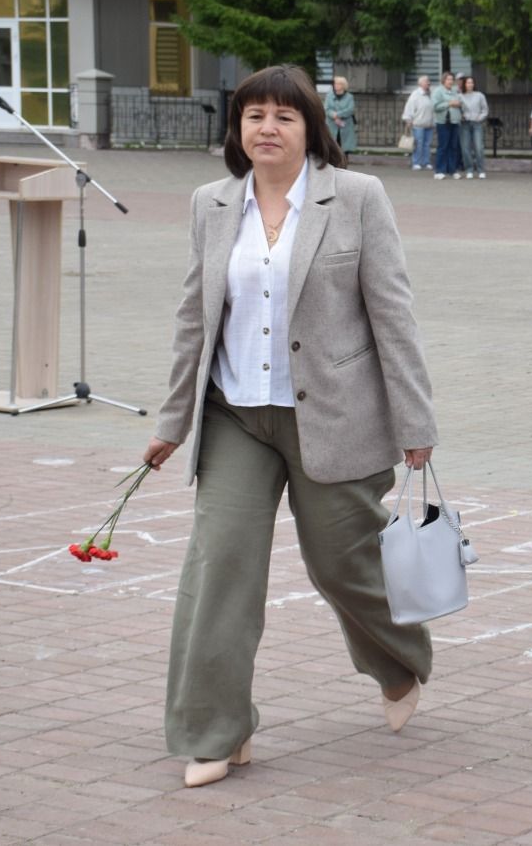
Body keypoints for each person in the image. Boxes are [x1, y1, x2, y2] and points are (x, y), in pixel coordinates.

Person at [145, 65, 437, 789]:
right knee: (221, 567)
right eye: (253, 117)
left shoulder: (357, 198)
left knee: (342, 563)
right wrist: (172, 419)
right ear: (236, 130)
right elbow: (195, 318)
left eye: (283, 116)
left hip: (334, 417)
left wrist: (415, 418)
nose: (266, 129)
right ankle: (215, 731)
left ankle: (399, 664)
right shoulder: (211, 204)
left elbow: (392, 314)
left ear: (312, 128)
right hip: (235, 415)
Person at [431, 72, 464, 179]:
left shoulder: (455, 91)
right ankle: (439, 170)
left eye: (451, 79)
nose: (450, 81)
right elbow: (435, 106)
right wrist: (449, 103)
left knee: (453, 147)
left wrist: (458, 103)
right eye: (448, 79)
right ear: (443, 80)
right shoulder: (438, 91)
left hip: (454, 121)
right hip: (443, 122)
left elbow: (460, 102)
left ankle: (452, 170)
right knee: (443, 146)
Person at [401, 75, 435, 170]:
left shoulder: (430, 94)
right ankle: (416, 162)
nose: (428, 83)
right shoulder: (415, 94)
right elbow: (409, 108)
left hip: (429, 124)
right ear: (420, 83)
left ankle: (426, 162)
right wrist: (408, 119)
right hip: (418, 124)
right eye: (426, 81)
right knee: (418, 144)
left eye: (428, 81)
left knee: (427, 144)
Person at [458, 75, 488, 179]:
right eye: (467, 83)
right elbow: (458, 110)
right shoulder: (460, 96)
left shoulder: (479, 95)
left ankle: (481, 169)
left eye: (471, 82)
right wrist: (460, 116)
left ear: (474, 84)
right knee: (465, 148)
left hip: (476, 124)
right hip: (465, 124)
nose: (470, 84)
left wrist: (479, 118)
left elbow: (485, 110)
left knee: (478, 147)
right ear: (464, 84)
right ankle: (469, 169)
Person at [323, 76, 356, 162]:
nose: (335, 85)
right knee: (332, 146)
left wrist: (338, 114)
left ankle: (343, 164)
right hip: (332, 125)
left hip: (345, 127)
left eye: (338, 83)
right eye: (335, 83)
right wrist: (333, 115)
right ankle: (332, 164)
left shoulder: (349, 97)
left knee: (344, 148)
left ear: (343, 85)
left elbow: (350, 109)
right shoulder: (329, 96)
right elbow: (326, 108)